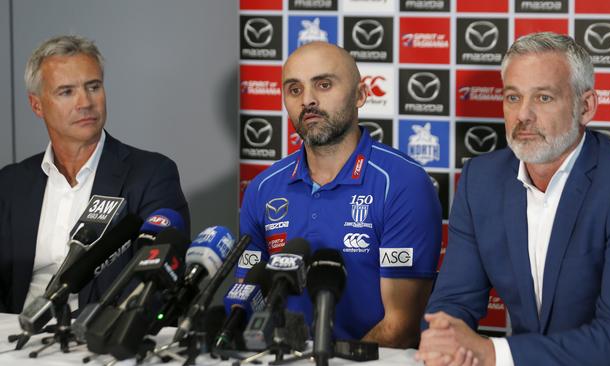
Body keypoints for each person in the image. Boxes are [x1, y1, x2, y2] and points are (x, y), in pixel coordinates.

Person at [416, 32, 610, 366]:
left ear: (585, 107)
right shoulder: (480, 180)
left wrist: (493, 352)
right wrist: (445, 337)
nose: (522, 115)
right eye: (513, 98)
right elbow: (455, 299)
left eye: (543, 98)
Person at [236, 41, 442, 348]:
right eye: (294, 90)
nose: (308, 100)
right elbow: (247, 302)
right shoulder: (263, 188)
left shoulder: (402, 183)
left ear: (360, 95)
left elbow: (400, 327)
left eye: (323, 84)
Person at [0, 35, 190, 314]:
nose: (85, 102)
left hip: (97, 339)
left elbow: (153, 283)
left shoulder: (151, 174)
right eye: (66, 92)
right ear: (37, 105)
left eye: (93, 87)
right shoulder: (11, 183)